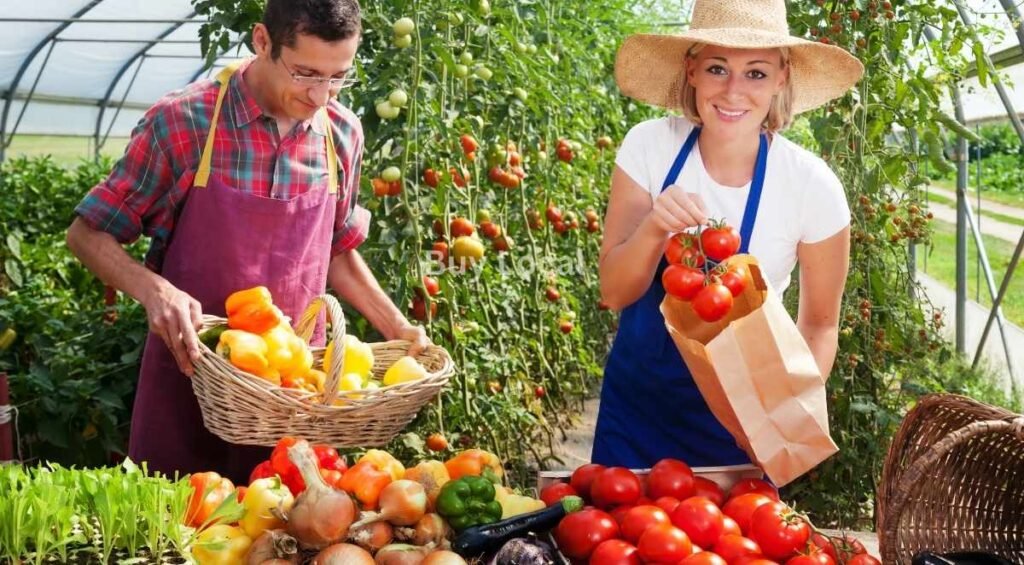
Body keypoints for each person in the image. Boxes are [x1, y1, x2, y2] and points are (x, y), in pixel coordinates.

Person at [66, 0, 428, 484]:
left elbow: (337, 251)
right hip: (193, 380)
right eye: (305, 73)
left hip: (296, 393)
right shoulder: (184, 122)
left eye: (338, 77)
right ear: (262, 41)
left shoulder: (341, 133)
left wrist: (397, 327)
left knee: (289, 521)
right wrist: (156, 291)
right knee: (180, 521)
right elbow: (87, 233)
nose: (321, 95)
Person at [593, 0, 864, 469]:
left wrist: (781, 421)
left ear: (781, 78)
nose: (734, 91)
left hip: (741, 427)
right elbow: (614, 292)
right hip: (635, 415)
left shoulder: (811, 186)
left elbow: (820, 326)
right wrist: (655, 227)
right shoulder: (650, 147)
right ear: (692, 71)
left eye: (756, 73)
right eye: (717, 68)